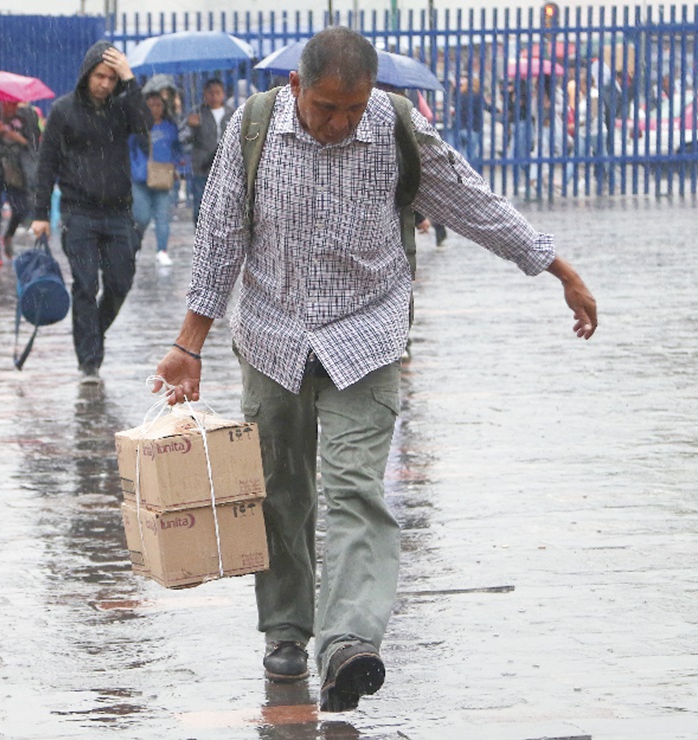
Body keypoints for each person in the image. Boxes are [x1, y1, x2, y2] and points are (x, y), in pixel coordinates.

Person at [153, 27, 597, 713]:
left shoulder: (395, 127)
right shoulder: (253, 127)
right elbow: (220, 235)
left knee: (356, 487)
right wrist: (189, 343)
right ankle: (284, 633)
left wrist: (554, 267)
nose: (338, 123)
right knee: (281, 491)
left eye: (352, 109)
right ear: (296, 88)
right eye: (326, 107)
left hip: (367, 334)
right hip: (272, 335)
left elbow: (470, 202)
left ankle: (348, 643)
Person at [31, 41, 152, 384]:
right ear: (87, 75)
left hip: (117, 213)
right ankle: (88, 361)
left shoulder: (122, 107)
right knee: (84, 285)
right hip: (79, 212)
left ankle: (92, 334)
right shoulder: (64, 110)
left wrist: (130, 80)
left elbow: (144, 124)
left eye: (112, 78)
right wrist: (40, 214)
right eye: (100, 76)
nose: (105, 84)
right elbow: (47, 163)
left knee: (119, 282)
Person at [0, 100, 40, 265]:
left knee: (21, 209)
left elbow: (35, 143)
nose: (10, 107)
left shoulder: (26, 118)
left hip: (16, 171)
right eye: (6, 104)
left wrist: (17, 138)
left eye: (13, 104)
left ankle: (8, 235)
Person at [129, 91, 182, 266]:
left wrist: (175, 166)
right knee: (141, 216)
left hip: (163, 177)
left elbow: (177, 149)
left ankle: (162, 250)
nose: (154, 109)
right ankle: (135, 246)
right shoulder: (136, 128)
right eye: (150, 105)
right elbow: (127, 151)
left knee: (163, 216)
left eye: (158, 105)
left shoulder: (169, 127)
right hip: (140, 178)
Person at [179, 78, 230, 224]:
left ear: (223, 94)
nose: (214, 96)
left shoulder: (231, 113)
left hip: (226, 168)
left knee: (225, 208)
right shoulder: (197, 113)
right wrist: (190, 126)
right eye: (210, 93)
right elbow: (182, 138)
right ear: (204, 94)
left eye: (217, 92)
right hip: (202, 168)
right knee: (201, 208)